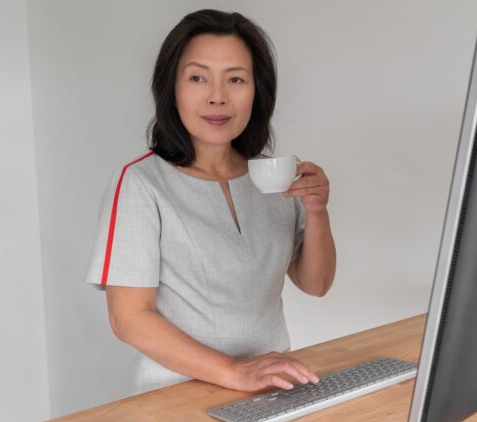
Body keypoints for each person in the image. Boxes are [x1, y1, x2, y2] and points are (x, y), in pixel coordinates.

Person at [86, 9, 336, 394]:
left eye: (235, 79)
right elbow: (129, 319)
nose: (217, 97)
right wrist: (236, 372)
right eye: (198, 77)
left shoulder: (276, 178)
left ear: (258, 90)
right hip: (175, 396)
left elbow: (316, 283)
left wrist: (317, 210)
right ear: (172, 88)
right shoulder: (141, 184)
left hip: (271, 390)